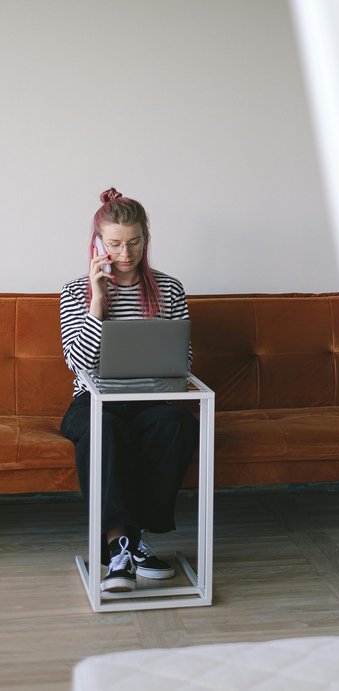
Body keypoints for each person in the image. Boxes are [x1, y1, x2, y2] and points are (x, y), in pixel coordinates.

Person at [60, 188, 198, 593]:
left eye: (134, 242)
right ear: (99, 243)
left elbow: (183, 361)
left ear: (146, 239)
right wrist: (98, 301)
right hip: (94, 400)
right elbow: (79, 362)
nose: (125, 252)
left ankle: (133, 540)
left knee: (177, 426)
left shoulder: (169, 289)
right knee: (105, 430)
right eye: (116, 243)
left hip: (150, 399)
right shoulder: (75, 291)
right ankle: (119, 544)